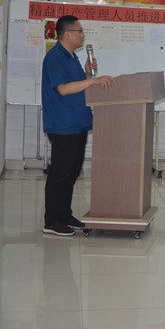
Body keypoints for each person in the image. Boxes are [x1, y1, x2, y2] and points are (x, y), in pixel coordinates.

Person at [41, 15, 114, 236]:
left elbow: (77, 86)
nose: (83, 35)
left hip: (77, 123)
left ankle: (64, 215)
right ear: (67, 34)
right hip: (63, 125)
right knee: (60, 174)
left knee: (72, 173)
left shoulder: (72, 57)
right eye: (80, 31)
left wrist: (88, 74)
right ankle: (52, 221)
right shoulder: (55, 57)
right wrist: (93, 80)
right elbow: (63, 89)